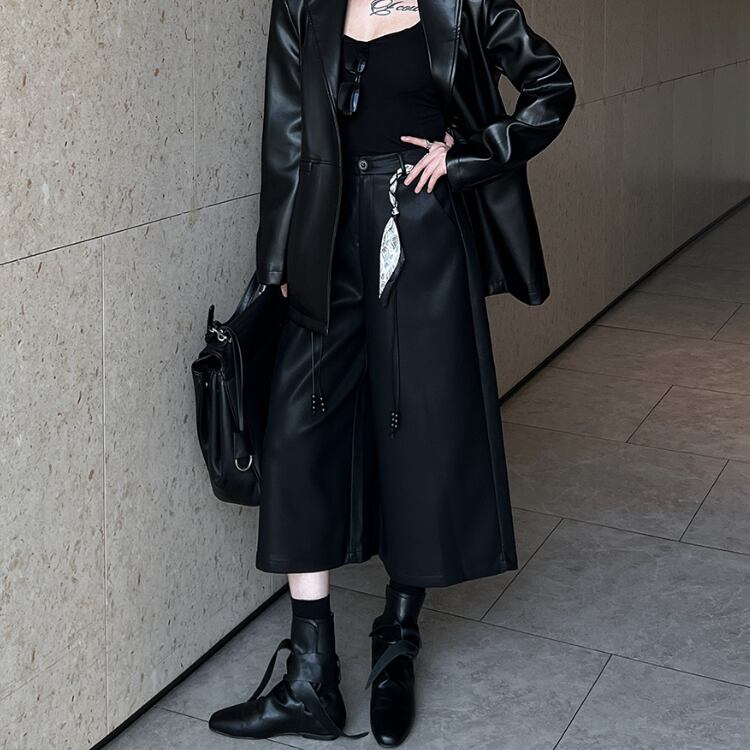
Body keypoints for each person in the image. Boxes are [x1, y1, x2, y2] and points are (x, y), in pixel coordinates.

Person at [209, 0, 575, 745]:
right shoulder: (303, 4)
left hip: (422, 229)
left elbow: (551, 86)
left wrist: (470, 156)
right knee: (296, 431)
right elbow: (286, 132)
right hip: (326, 236)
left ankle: (395, 644)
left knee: (416, 432)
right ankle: (310, 679)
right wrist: (277, 262)